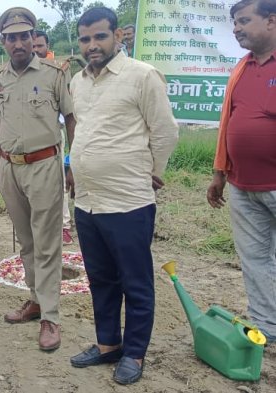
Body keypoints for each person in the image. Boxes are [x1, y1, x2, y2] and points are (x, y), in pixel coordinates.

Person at [67, 7, 178, 385]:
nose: (92, 45)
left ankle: (134, 352)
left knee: (135, 281)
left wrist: (153, 173)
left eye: (100, 36)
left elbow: (165, 131)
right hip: (87, 201)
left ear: (119, 36)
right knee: (100, 279)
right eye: (85, 39)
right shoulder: (78, 82)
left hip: (128, 201)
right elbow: (83, 130)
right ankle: (107, 344)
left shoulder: (142, 76)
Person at [0, 7, 76, 351]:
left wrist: (72, 163)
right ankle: (35, 299)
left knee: (48, 243)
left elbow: (71, 119)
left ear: (33, 38)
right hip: (10, 167)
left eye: (25, 36)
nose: (19, 42)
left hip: (44, 165)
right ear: (4, 42)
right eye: (12, 37)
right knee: (26, 242)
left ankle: (51, 317)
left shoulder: (54, 73)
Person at [207, 0, 276, 344]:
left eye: (244, 20)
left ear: (272, 21)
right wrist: (219, 172)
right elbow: (226, 124)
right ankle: (268, 331)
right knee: (255, 262)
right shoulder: (242, 68)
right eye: (235, 22)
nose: (236, 28)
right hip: (242, 185)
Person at [31, 31, 75, 245]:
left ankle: (64, 226)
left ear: (47, 47)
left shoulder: (58, 70)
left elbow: (68, 112)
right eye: (34, 46)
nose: (36, 50)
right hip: (30, 138)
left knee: (58, 180)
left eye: (40, 46)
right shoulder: (20, 72)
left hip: (53, 134)